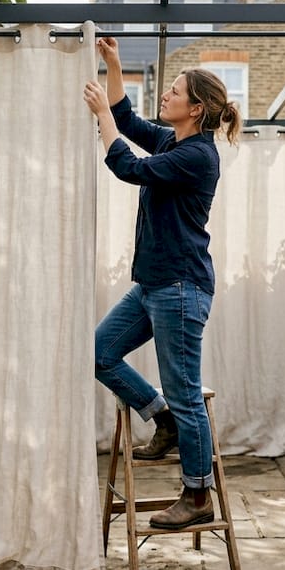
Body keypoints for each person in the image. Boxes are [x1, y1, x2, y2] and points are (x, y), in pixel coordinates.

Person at [82, 37, 241, 529]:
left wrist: (99, 120)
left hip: (180, 287)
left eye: (174, 92)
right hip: (153, 284)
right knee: (100, 352)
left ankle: (197, 497)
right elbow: (127, 121)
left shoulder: (197, 156)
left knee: (187, 392)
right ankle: (162, 417)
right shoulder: (176, 141)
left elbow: (128, 166)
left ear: (195, 109)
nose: (165, 96)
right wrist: (112, 65)